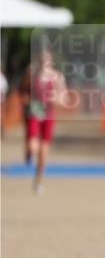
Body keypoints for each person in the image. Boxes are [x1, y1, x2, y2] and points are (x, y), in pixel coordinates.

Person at [24, 49, 66, 194]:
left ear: (51, 61)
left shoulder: (57, 77)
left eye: (46, 59)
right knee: (33, 147)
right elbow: (24, 90)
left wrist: (56, 98)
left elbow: (64, 98)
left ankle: (38, 181)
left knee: (43, 151)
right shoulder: (32, 72)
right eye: (42, 59)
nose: (44, 62)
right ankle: (29, 153)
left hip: (49, 113)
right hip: (35, 111)